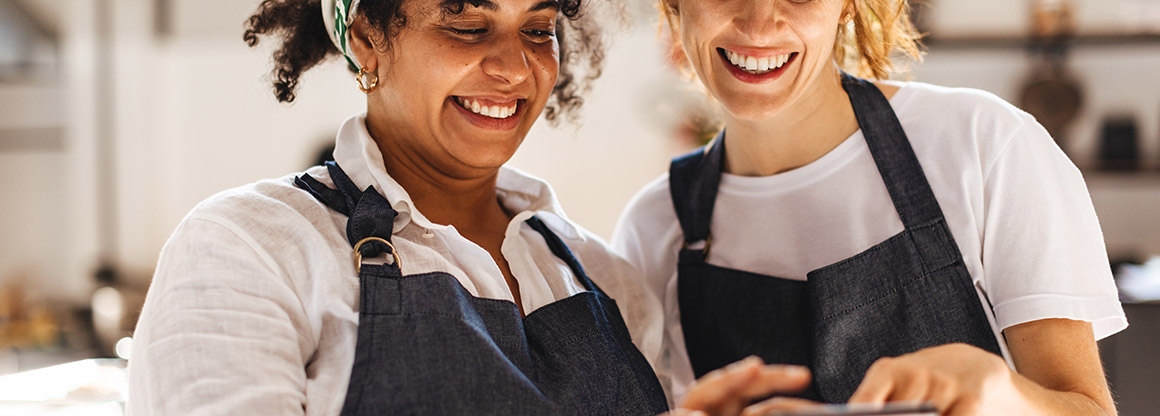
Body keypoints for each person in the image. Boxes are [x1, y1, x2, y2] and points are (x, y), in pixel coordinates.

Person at [127, 0, 683, 413]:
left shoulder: (607, 280)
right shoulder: (249, 249)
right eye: (468, 26)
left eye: (538, 29)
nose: (516, 68)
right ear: (367, 37)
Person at [612, 0, 1127, 415]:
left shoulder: (986, 147)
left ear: (849, 7)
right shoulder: (655, 227)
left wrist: (1002, 394)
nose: (759, 21)